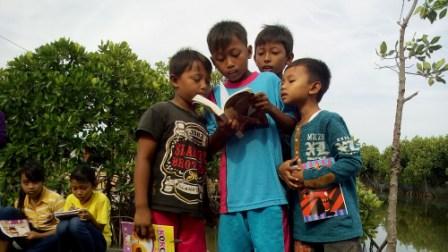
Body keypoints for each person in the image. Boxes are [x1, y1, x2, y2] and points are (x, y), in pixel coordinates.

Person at [206, 20, 295, 252]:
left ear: (248, 51)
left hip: (270, 196)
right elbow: (208, 148)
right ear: (213, 61)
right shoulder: (215, 95)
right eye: (220, 59)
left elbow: (292, 127)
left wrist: (270, 109)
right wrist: (224, 130)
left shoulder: (270, 81)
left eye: (235, 54)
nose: (229, 64)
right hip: (231, 202)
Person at [278, 58, 363, 252]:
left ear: (314, 87)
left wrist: (306, 176)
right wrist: (282, 170)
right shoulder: (293, 129)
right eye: (282, 82)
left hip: (340, 231)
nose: (283, 86)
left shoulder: (330, 120)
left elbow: (352, 161)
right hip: (306, 233)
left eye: (291, 81)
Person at [133, 48, 213, 252]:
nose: (204, 86)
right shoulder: (160, 112)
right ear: (175, 80)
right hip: (162, 207)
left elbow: (202, 164)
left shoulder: (203, 122)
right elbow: (143, 158)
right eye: (197, 79)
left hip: (194, 212)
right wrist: (141, 208)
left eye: (207, 80)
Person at [0, 160, 64, 252]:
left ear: (42, 181)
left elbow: (64, 230)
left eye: (35, 182)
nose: (30, 187)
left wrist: (39, 235)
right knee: (6, 212)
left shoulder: (56, 200)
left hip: (48, 237)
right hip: (28, 235)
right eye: (26, 183)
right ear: (21, 183)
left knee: (58, 237)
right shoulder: (20, 201)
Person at [56, 163, 111, 252]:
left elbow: (101, 228)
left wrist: (90, 218)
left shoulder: (101, 199)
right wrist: (68, 215)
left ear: (93, 186)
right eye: (75, 188)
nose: (79, 192)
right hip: (76, 242)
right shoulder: (70, 198)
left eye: (83, 188)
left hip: (99, 241)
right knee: (62, 225)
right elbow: (65, 225)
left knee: (75, 222)